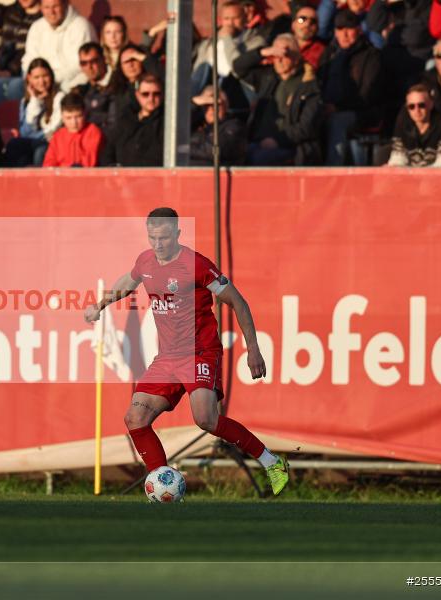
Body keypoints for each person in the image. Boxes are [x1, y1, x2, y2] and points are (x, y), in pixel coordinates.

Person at [83, 207, 289, 497]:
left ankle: (272, 462)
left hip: (200, 352)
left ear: (178, 234)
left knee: (205, 418)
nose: (158, 244)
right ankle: (163, 486)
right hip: (167, 357)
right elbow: (126, 284)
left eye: (164, 238)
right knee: (134, 419)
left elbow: (238, 302)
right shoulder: (145, 261)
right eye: (152, 237)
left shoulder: (197, 265)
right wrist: (99, 305)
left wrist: (253, 349)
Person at [234, 34, 323, 165]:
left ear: (297, 57)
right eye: (276, 55)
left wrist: (278, 140)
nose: (279, 60)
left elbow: (306, 127)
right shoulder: (268, 77)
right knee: (232, 156)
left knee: (256, 159)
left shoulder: (308, 85)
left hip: (290, 146)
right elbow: (238, 67)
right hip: (257, 141)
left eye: (285, 54)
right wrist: (264, 52)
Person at [318, 9, 383, 165]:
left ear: (359, 30)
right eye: (340, 29)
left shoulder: (371, 55)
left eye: (349, 29)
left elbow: (368, 94)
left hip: (360, 112)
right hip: (327, 108)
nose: (344, 34)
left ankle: (333, 172)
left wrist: (337, 107)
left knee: (337, 121)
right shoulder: (329, 53)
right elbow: (318, 83)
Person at [0, 0, 42, 104]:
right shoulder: (11, 11)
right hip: (1, 68)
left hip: (24, 71)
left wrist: (10, 72)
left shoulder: (45, 16)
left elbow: (30, 52)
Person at [21, 0, 97, 92]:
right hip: (41, 81)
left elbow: (79, 65)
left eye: (55, 7)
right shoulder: (37, 27)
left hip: (71, 83)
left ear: (65, 4)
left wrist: (50, 79)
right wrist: (36, 79)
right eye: (47, 7)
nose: (51, 12)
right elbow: (29, 57)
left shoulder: (81, 26)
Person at [4, 57, 63, 166]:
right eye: (36, 77)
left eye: (45, 76)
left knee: (40, 150)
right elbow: (25, 131)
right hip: (34, 141)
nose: (41, 81)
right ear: (29, 78)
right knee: (14, 145)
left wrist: (36, 136)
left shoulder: (59, 98)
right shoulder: (26, 101)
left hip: (51, 143)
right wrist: (35, 100)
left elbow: (53, 130)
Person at [99, 72, 164, 166]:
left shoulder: (168, 122)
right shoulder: (125, 121)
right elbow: (108, 153)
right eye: (145, 94)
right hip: (123, 178)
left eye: (156, 94)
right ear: (137, 95)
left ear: (162, 95)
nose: (151, 98)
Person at [387, 83, 441, 166]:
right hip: (411, 175)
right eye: (411, 106)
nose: (416, 110)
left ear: (431, 105)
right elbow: (397, 159)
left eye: (421, 105)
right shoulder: (402, 123)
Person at [189, 86, 247, 166]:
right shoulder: (196, 124)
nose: (212, 109)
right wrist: (193, 103)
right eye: (207, 105)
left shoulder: (235, 127)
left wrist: (182, 149)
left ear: (226, 106)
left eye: (217, 104)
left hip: (218, 174)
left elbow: (213, 152)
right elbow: (173, 131)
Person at [42, 91, 102, 166]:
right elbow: (49, 163)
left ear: (85, 114)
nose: (74, 122)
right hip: (61, 175)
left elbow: (89, 162)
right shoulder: (58, 136)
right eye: (68, 118)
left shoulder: (92, 131)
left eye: (78, 116)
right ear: (62, 117)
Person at [71, 42, 113, 132]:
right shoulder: (79, 89)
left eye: (93, 61)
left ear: (104, 60)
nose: (89, 67)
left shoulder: (116, 83)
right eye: (84, 63)